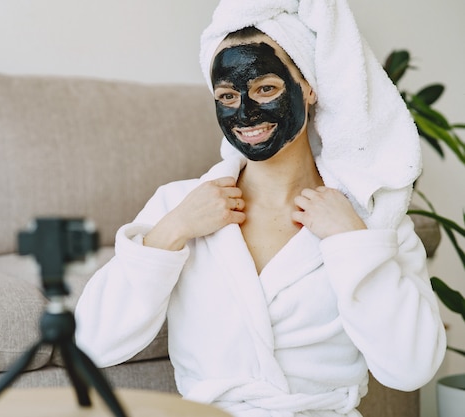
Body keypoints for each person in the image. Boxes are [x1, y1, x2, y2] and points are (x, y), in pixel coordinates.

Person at [75, 1, 446, 416]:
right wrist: (170, 232)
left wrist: (352, 243)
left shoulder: (369, 220)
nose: (245, 114)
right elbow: (92, 343)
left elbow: (411, 369)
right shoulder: (179, 205)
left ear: (308, 87)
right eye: (227, 96)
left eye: (266, 88)